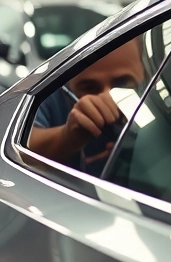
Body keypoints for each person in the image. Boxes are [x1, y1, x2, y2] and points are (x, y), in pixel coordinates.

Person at [28, 38, 146, 174]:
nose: (105, 98)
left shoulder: (162, 115)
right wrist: (66, 137)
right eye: (89, 87)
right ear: (69, 83)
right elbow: (20, 143)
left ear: (146, 75)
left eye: (122, 84)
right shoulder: (50, 91)